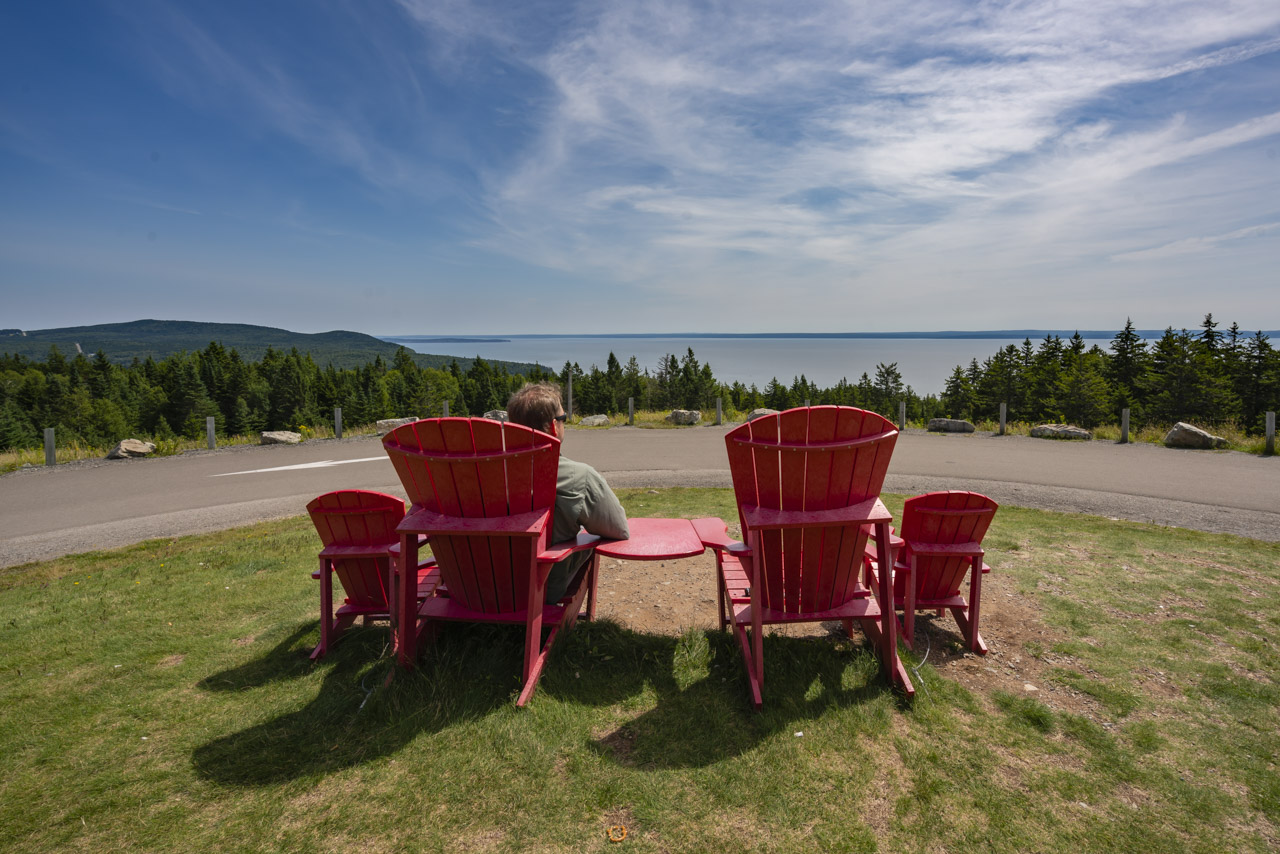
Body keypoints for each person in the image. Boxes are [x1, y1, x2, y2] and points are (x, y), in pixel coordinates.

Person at [505, 382, 629, 603]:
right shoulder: (578, 476)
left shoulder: (480, 473)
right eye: (564, 418)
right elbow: (618, 528)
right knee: (586, 542)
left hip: (476, 585)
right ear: (554, 426)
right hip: (542, 591)